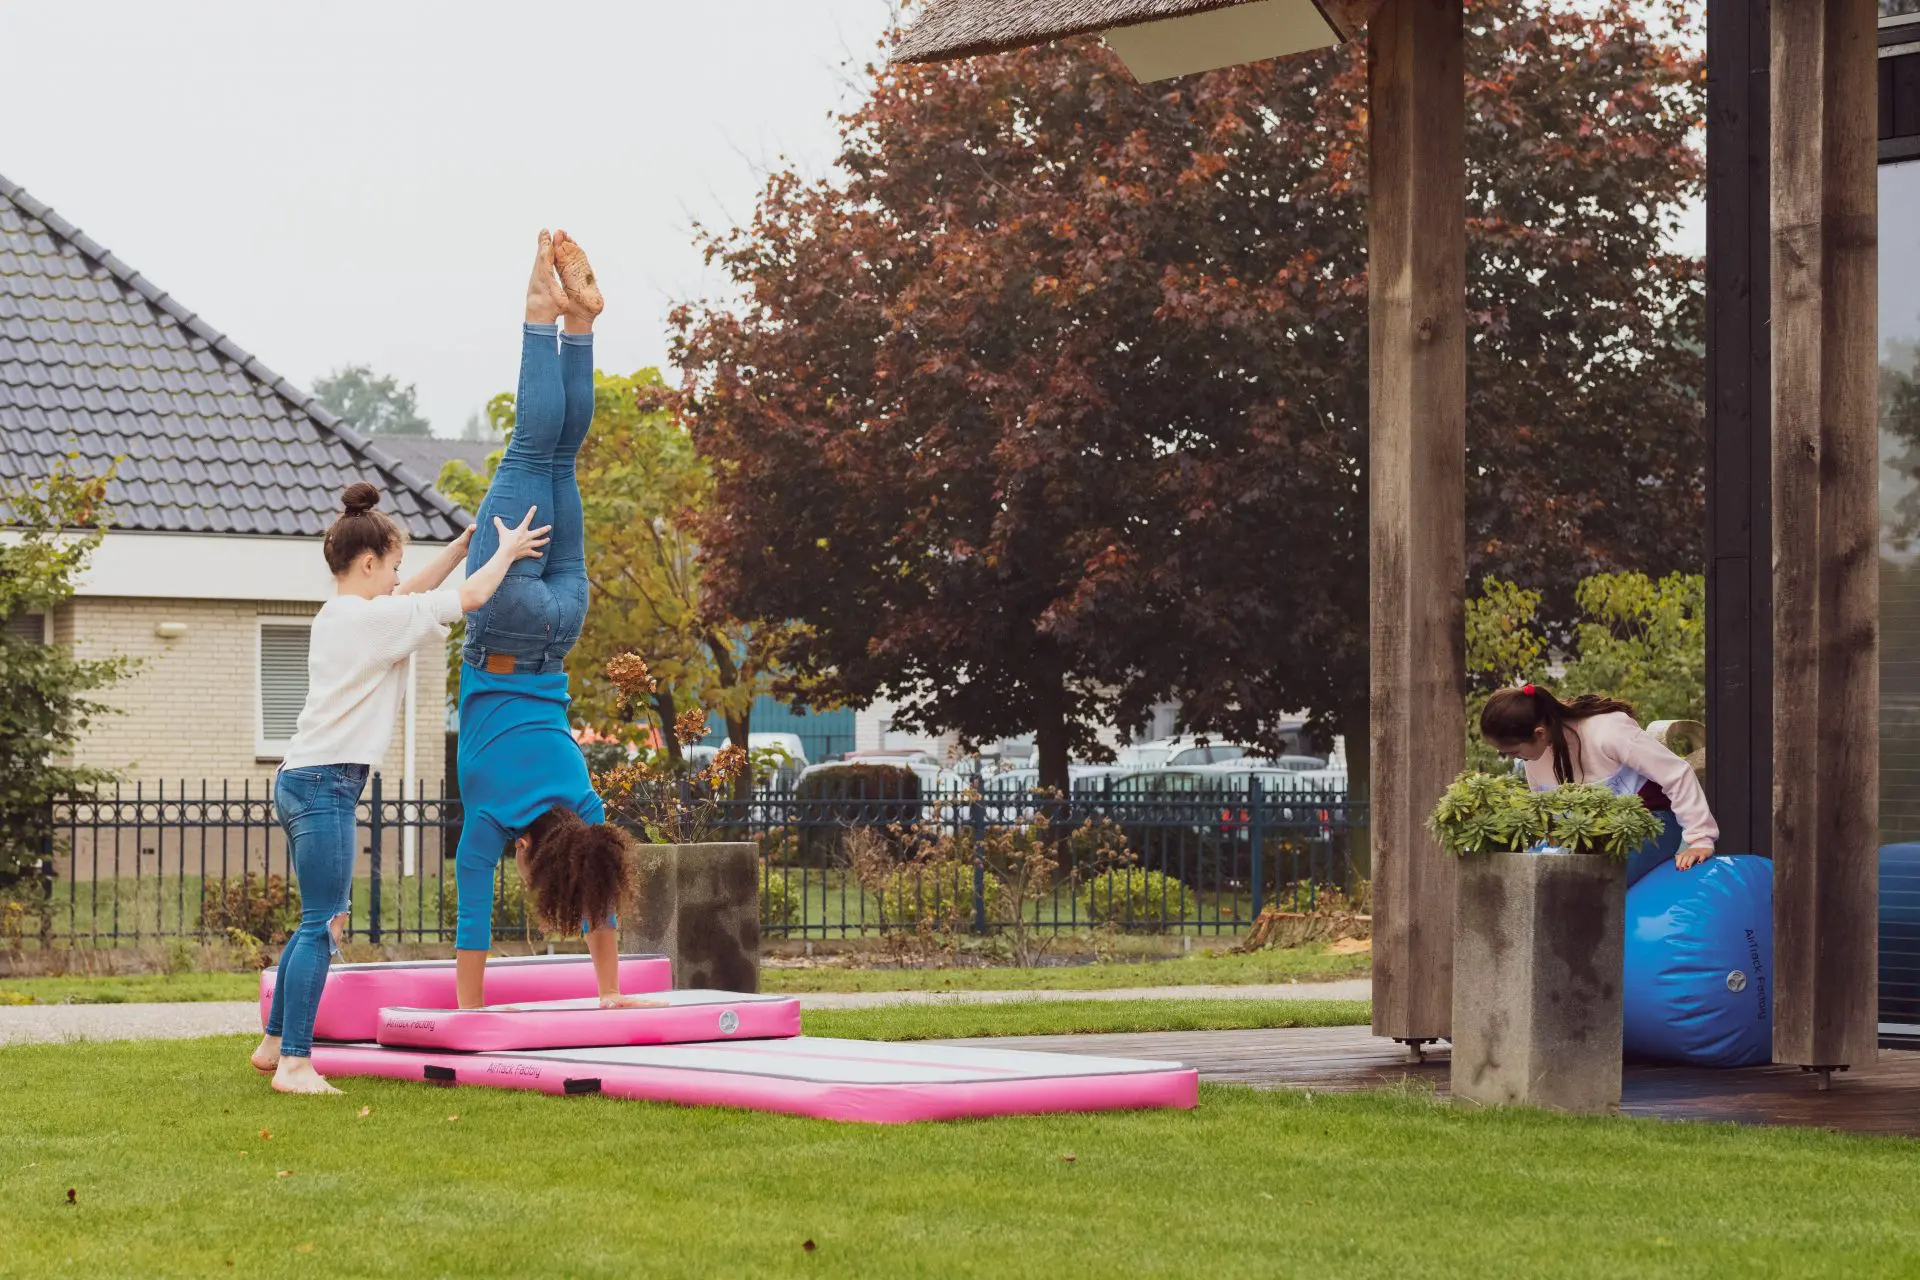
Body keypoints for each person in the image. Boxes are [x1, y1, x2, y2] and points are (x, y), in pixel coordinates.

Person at [251, 482, 549, 1095]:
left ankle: (275, 1041)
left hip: (301, 779)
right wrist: (507, 550)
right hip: (325, 783)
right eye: (392, 566)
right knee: (322, 923)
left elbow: (413, 596)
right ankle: (296, 1064)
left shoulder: (341, 616)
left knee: (315, 920)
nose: (397, 579)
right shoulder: (370, 621)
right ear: (368, 562)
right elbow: (466, 597)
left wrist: (461, 546)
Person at [453, 230, 658, 1011]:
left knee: (562, 454)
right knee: (532, 446)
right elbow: (473, 922)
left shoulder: (585, 803)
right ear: (534, 854)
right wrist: (472, 1015)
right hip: (504, 623)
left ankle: (582, 329)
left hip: (563, 622)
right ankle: (544, 313)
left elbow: (602, 890)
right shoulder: (492, 814)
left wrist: (613, 995)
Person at [1479, 684, 1717, 878]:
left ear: (1539, 733)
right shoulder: (1534, 757)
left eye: (1512, 751)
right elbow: (1546, 818)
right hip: (1590, 836)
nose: (1511, 758)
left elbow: (1676, 772)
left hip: (1651, 824)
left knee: (1596, 881)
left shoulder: (1607, 731)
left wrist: (1700, 839)